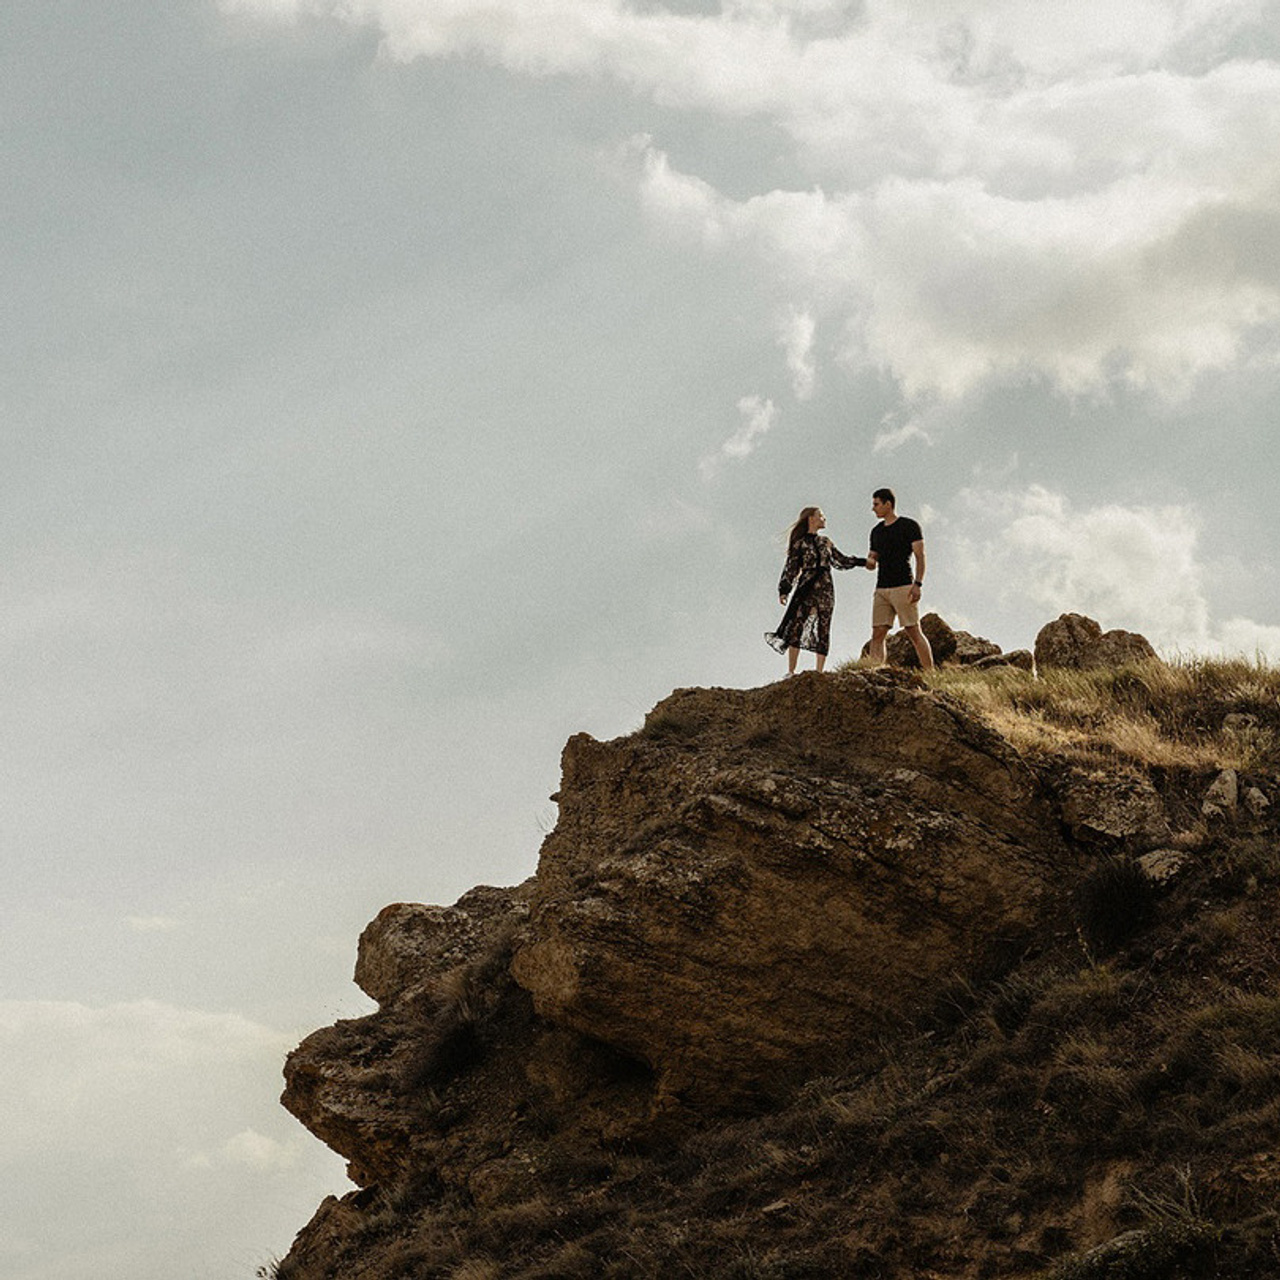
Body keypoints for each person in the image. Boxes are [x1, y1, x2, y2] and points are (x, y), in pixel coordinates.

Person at [766, 506, 866, 674]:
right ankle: (791, 671)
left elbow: (840, 560)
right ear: (811, 519)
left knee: (824, 626)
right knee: (797, 625)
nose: (824, 518)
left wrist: (862, 562)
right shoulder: (799, 543)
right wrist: (784, 590)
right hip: (806, 586)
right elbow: (791, 567)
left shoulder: (826, 542)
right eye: (821, 515)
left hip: (826, 588)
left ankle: (819, 671)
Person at [865, 488, 934, 670]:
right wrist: (869, 562)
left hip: (903, 585)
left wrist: (917, 584)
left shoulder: (909, 526)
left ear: (888, 504)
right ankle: (876, 673)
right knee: (877, 633)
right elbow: (872, 556)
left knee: (913, 631)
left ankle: (931, 674)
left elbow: (920, 556)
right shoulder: (876, 532)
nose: (873, 509)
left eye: (876, 504)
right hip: (881, 588)